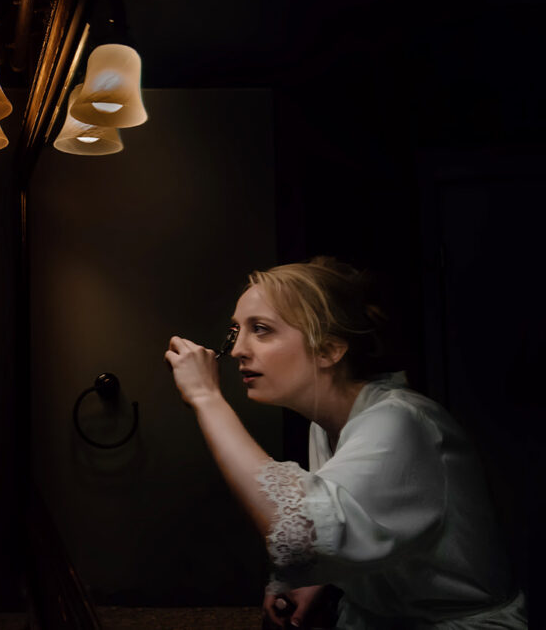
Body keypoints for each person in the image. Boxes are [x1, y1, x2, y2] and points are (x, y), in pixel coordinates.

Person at [165, 257, 526, 629]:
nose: (239, 349)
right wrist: (324, 575)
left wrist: (207, 398)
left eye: (260, 329)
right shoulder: (326, 426)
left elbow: (296, 534)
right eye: (236, 330)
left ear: (328, 350)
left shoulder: (401, 421)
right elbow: (365, 523)